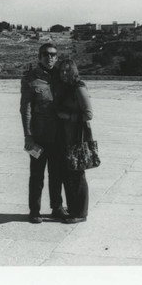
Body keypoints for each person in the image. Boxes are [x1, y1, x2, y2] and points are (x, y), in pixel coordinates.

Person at [20, 43, 70, 224]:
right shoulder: (30, 79)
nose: (49, 57)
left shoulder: (61, 77)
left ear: (57, 57)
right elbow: (25, 110)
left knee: (56, 174)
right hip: (39, 136)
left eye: (53, 54)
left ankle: (57, 207)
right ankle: (34, 210)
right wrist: (28, 135)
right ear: (39, 57)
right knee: (37, 176)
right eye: (46, 54)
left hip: (58, 136)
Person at [56, 59, 92, 224]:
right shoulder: (65, 88)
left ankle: (80, 213)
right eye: (61, 70)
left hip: (76, 137)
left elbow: (88, 114)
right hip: (64, 136)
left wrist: (69, 117)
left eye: (67, 70)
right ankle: (72, 209)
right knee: (68, 174)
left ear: (74, 71)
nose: (64, 73)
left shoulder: (79, 87)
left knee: (77, 174)